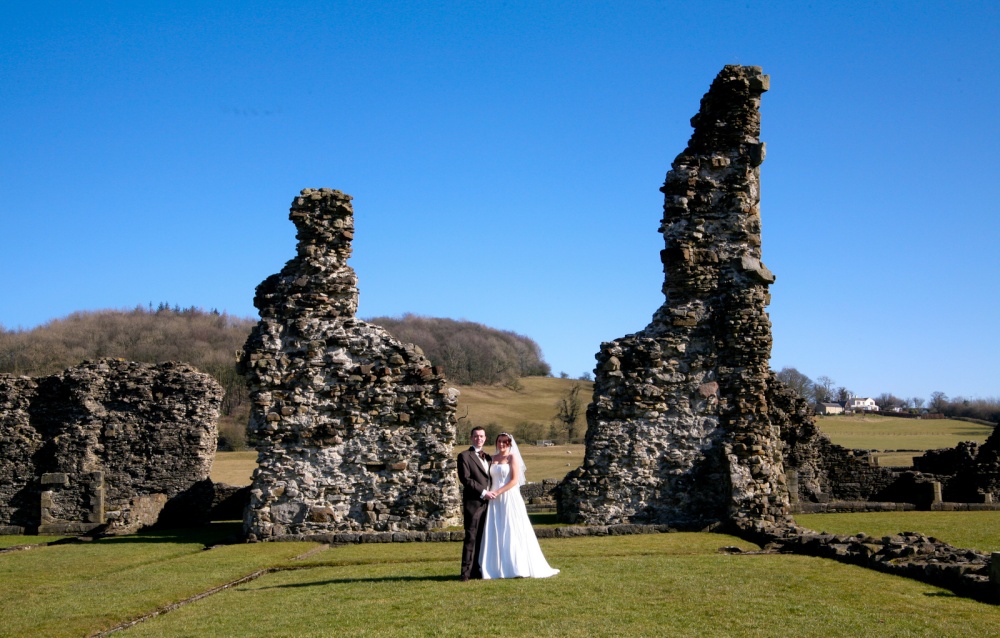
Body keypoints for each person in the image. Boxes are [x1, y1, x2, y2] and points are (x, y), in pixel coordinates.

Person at [479, 432, 559, 579]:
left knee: (511, 528)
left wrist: (498, 492)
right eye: (499, 441)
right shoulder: (492, 458)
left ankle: (516, 566)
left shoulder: (512, 457)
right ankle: (495, 566)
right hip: (494, 499)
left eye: (505, 442)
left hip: (508, 496)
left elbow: (514, 480)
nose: (502, 444)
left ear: (510, 444)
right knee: (496, 529)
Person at [457, 426, 492, 581]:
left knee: (484, 538)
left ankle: (479, 570)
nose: (479, 439)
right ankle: (465, 573)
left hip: (490, 504)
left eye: (482, 436)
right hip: (474, 503)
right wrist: (484, 492)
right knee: (471, 537)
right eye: (476, 436)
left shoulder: (489, 457)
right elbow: (465, 479)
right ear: (471, 438)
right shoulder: (464, 456)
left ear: (485, 438)